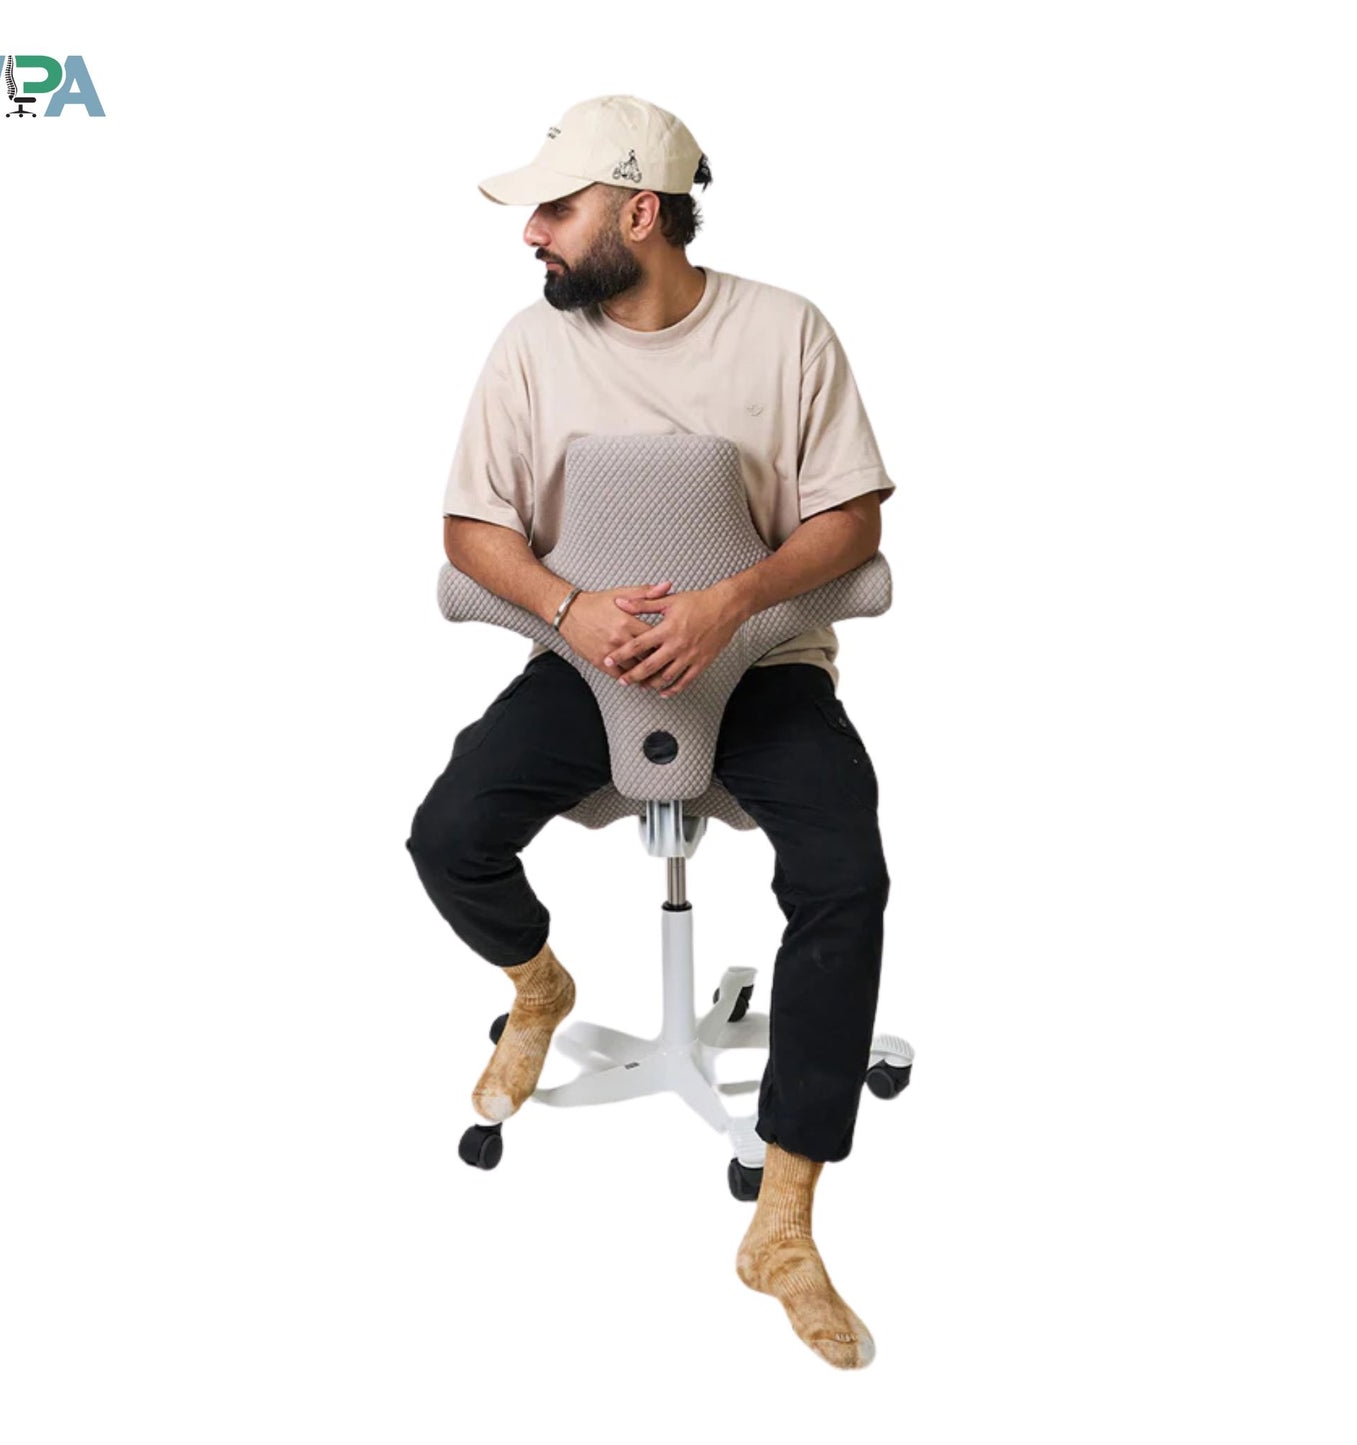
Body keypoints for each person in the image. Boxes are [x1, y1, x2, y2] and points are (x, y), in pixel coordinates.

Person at [406, 94, 897, 1370]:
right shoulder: (529, 348)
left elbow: (852, 520)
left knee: (845, 876)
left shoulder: (786, 333)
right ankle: (537, 983)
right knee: (448, 834)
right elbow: (470, 531)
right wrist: (571, 609)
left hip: (761, 664)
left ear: (637, 210)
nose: (531, 233)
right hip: (589, 667)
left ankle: (781, 1214)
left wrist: (729, 602)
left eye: (554, 210)